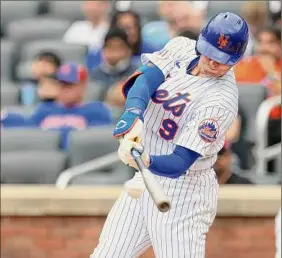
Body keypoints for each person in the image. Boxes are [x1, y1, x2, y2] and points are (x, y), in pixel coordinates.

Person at [90, 12, 249, 258]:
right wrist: (133, 114)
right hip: (145, 180)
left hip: (184, 192)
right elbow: (145, 81)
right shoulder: (181, 47)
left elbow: (180, 162)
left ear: (236, 59)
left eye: (223, 59)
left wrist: (146, 160)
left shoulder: (221, 100)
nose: (214, 62)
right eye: (210, 53)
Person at [27, 63, 113, 149]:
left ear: (83, 85)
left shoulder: (97, 110)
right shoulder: (44, 110)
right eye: (61, 84)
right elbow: (31, 139)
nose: (64, 89)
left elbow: (96, 144)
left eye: (69, 85)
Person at [90, 27, 138, 95]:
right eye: (109, 47)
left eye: (118, 48)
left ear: (128, 50)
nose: (114, 53)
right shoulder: (95, 74)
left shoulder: (137, 73)